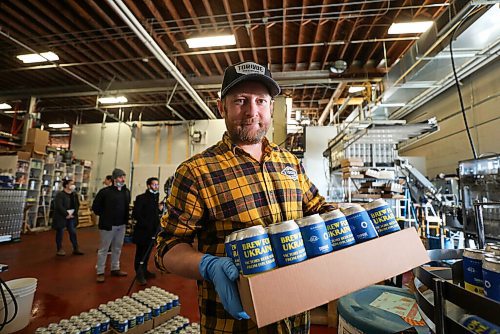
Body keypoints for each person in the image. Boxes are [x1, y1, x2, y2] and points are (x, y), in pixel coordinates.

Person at [155, 61, 334, 333]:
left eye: (261, 101)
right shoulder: (196, 171)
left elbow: (318, 209)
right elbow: (167, 247)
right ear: (221, 107)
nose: (252, 111)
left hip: (295, 314)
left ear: (271, 108)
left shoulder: (289, 162)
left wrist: (355, 218)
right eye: (240, 100)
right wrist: (208, 265)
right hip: (235, 324)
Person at [92, 168, 131, 283]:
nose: (122, 179)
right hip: (108, 226)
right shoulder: (105, 192)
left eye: (124, 177)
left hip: (121, 225)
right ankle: (100, 271)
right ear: (114, 179)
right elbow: (96, 207)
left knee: (117, 248)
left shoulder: (126, 192)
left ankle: (115, 268)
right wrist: (105, 216)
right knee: (104, 249)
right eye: (120, 177)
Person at [132, 177, 161, 285]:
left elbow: (153, 214)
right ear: (148, 186)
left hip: (152, 233)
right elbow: (136, 214)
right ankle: (139, 273)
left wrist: (159, 210)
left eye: (157, 185)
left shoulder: (155, 198)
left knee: (147, 253)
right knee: (140, 253)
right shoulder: (141, 198)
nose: (156, 187)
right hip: (142, 232)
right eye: (154, 185)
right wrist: (146, 225)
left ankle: (144, 270)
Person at [52, 179, 84, 256]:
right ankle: (59, 249)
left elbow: (77, 204)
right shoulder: (60, 195)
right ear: (66, 185)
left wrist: (74, 213)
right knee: (60, 232)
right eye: (71, 184)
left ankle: (75, 248)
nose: (73, 185)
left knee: (73, 232)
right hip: (62, 216)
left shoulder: (74, 195)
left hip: (72, 216)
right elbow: (59, 206)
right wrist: (66, 214)